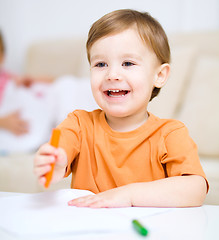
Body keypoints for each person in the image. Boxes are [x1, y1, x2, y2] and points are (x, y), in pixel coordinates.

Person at [34, 9, 208, 208]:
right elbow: (60, 150)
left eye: (127, 63)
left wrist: (129, 194)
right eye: (100, 64)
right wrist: (55, 162)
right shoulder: (78, 124)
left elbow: (196, 189)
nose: (112, 74)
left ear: (159, 76)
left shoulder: (170, 134)